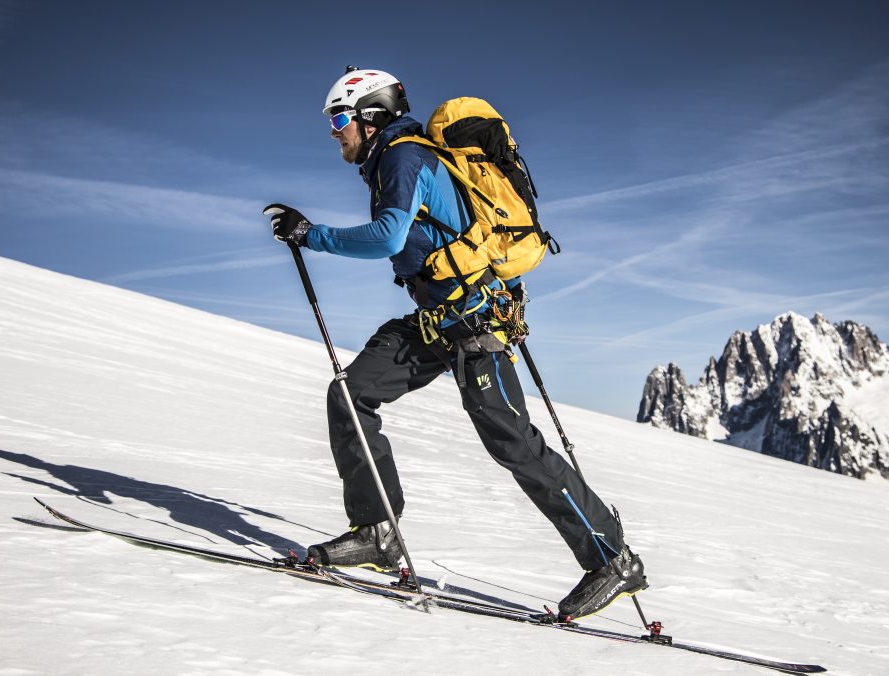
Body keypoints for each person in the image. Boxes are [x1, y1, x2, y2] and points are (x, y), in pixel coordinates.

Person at [263, 67, 647, 619]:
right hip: (436, 323)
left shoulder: (402, 157)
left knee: (513, 442)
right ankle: (377, 531)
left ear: (371, 117)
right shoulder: (393, 162)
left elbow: (388, 237)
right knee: (352, 393)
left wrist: (311, 235)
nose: (334, 130)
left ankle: (613, 559)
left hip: (471, 325)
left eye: (340, 117)